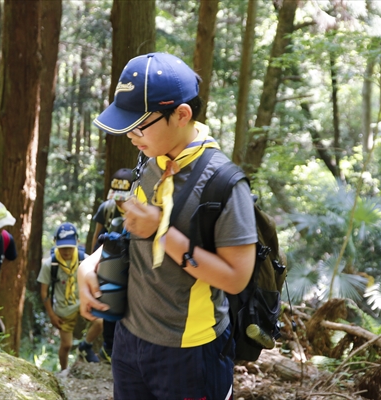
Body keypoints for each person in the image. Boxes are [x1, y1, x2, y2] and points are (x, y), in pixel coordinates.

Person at [79, 52, 257, 399]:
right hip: (129, 340)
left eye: (139, 124)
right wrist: (93, 261)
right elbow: (133, 229)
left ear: (181, 114)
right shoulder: (150, 160)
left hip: (190, 353)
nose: (130, 135)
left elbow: (236, 279)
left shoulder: (224, 184)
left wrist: (162, 230)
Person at [38, 222, 103, 376]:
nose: (66, 251)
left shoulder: (85, 259)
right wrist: (51, 315)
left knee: (100, 322)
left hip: (83, 303)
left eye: (69, 246)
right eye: (62, 247)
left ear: (77, 243)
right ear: (55, 244)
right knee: (66, 344)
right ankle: (64, 371)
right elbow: (44, 292)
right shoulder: (50, 264)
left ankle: (85, 346)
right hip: (63, 309)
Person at [90, 168, 133, 363]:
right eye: (116, 197)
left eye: (122, 197)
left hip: (131, 264)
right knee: (109, 304)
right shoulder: (107, 208)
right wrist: (92, 262)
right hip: (109, 265)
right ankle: (109, 348)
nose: (118, 201)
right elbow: (97, 234)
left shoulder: (139, 210)